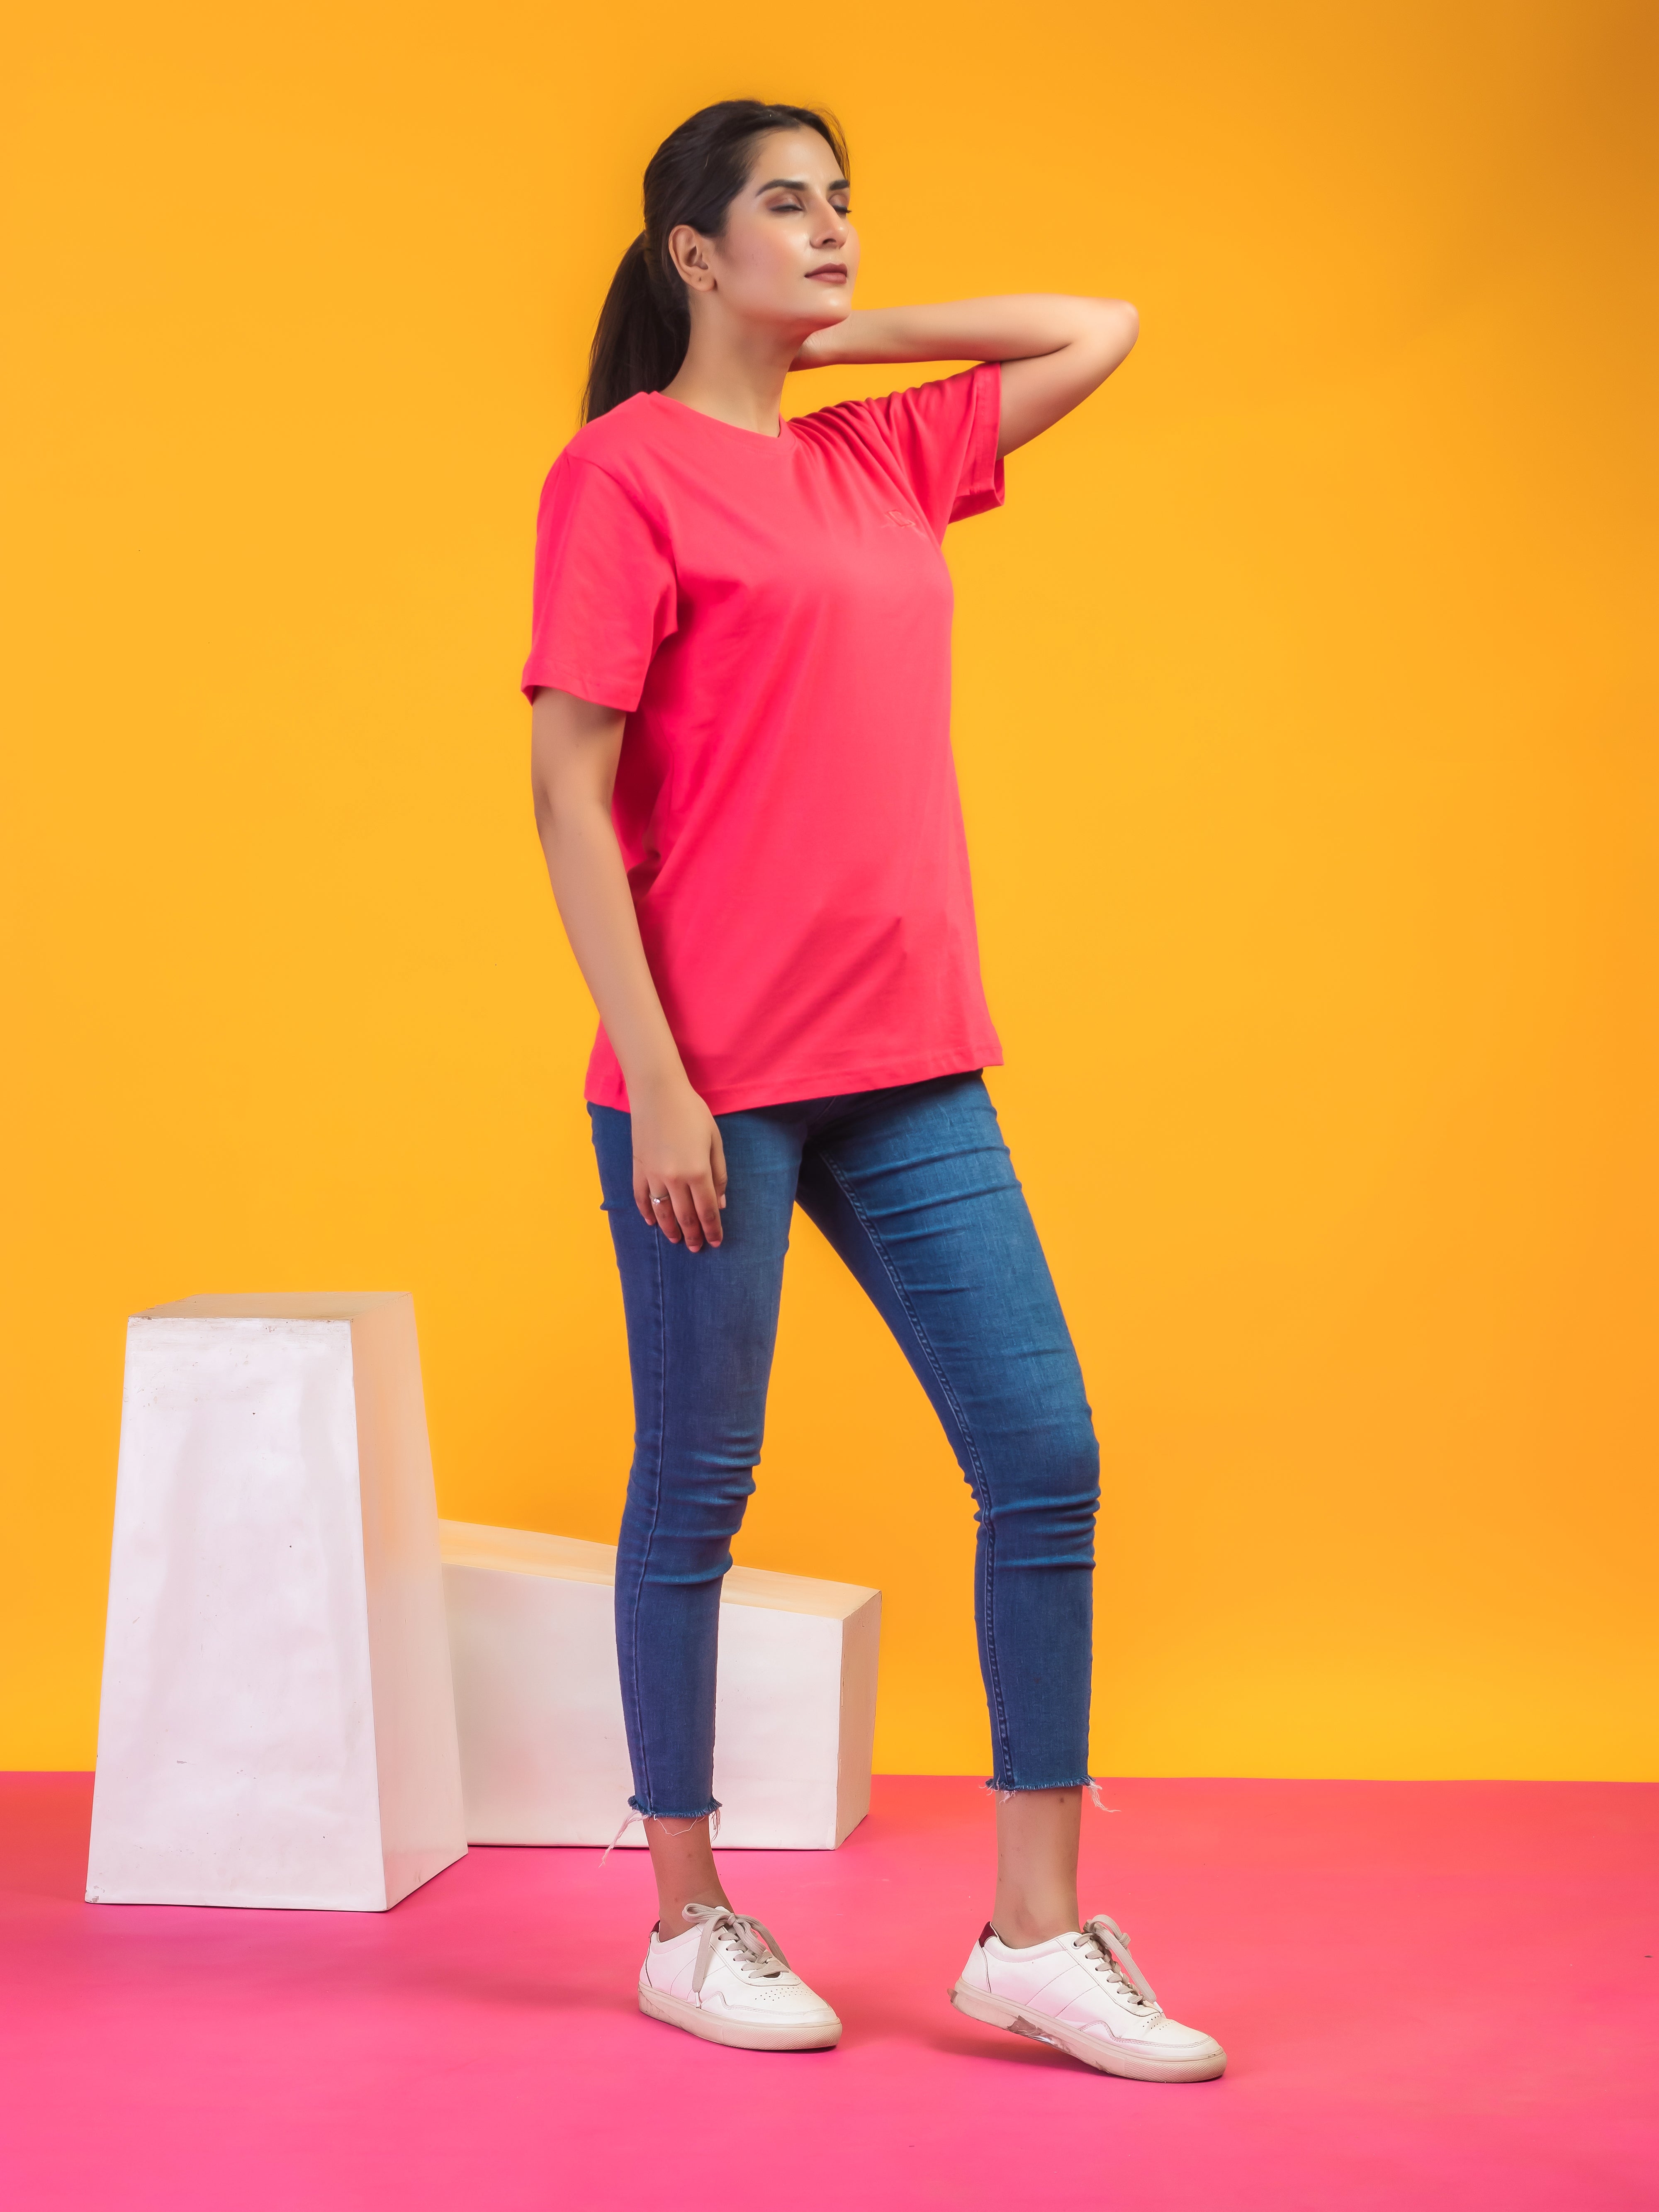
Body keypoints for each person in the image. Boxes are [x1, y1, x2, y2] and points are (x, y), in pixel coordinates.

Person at [523, 98, 1224, 2082]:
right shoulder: (619, 472)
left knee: (1043, 1454)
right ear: (690, 252)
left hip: (911, 1056)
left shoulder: (876, 452)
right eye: (786, 207)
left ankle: (1034, 1933)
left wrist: (832, 331)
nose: (830, 228)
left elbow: (1096, 325)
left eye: (843, 203)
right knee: (698, 1481)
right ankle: (687, 1919)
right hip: (714, 1078)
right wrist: (661, 1080)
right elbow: (565, 781)